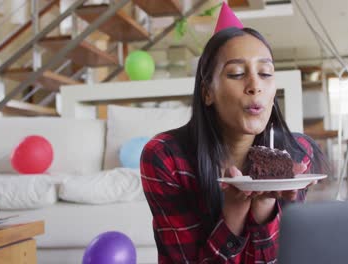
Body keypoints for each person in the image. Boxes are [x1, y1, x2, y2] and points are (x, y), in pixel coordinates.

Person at [140, 3, 327, 263]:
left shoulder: (297, 154)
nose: (255, 86)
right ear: (207, 92)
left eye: (265, 73)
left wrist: (264, 208)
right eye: (237, 73)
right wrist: (234, 213)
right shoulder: (166, 158)